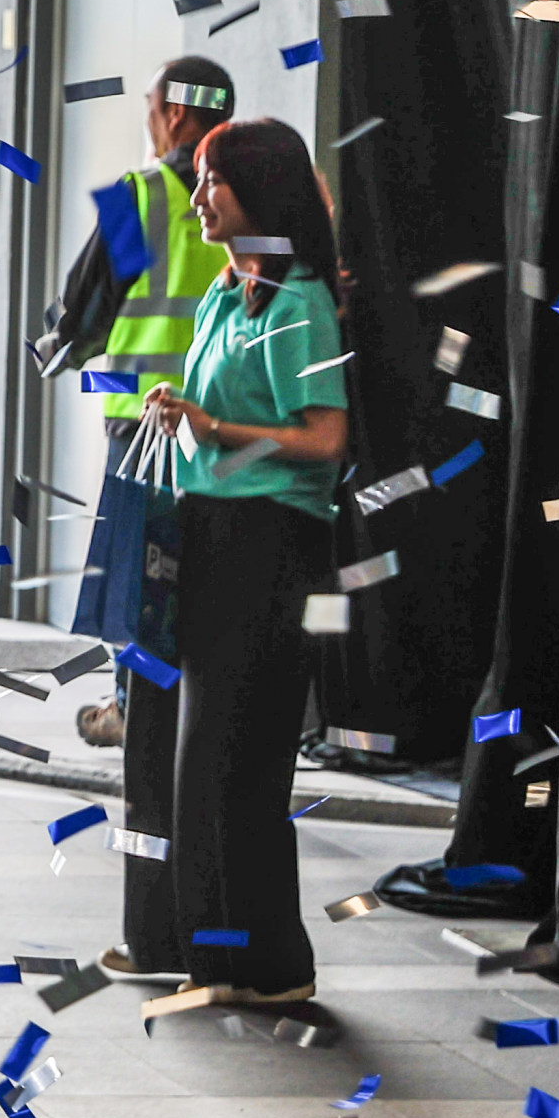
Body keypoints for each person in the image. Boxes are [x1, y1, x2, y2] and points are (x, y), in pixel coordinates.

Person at [118, 118, 350, 1005]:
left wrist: (214, 429)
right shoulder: (224, 294)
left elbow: (323, 438)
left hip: (273, 544)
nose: (197, 194)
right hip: (211, 534)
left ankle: (257, 966)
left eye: (213, 179)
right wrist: (175, 411)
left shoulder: (300, 306)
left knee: (234, 757)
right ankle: (233, 965)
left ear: (258, 189)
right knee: (205, 760)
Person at [51, 56, 235, 747]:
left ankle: (134, 709)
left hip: (147, 425)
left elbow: (82, 312)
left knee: (141, 579)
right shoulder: (255, 190)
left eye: (152, 111)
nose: (151, 126)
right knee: (213, 576)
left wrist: (62, 344)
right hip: (233, 425)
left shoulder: (140, 195)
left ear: (176, 114)